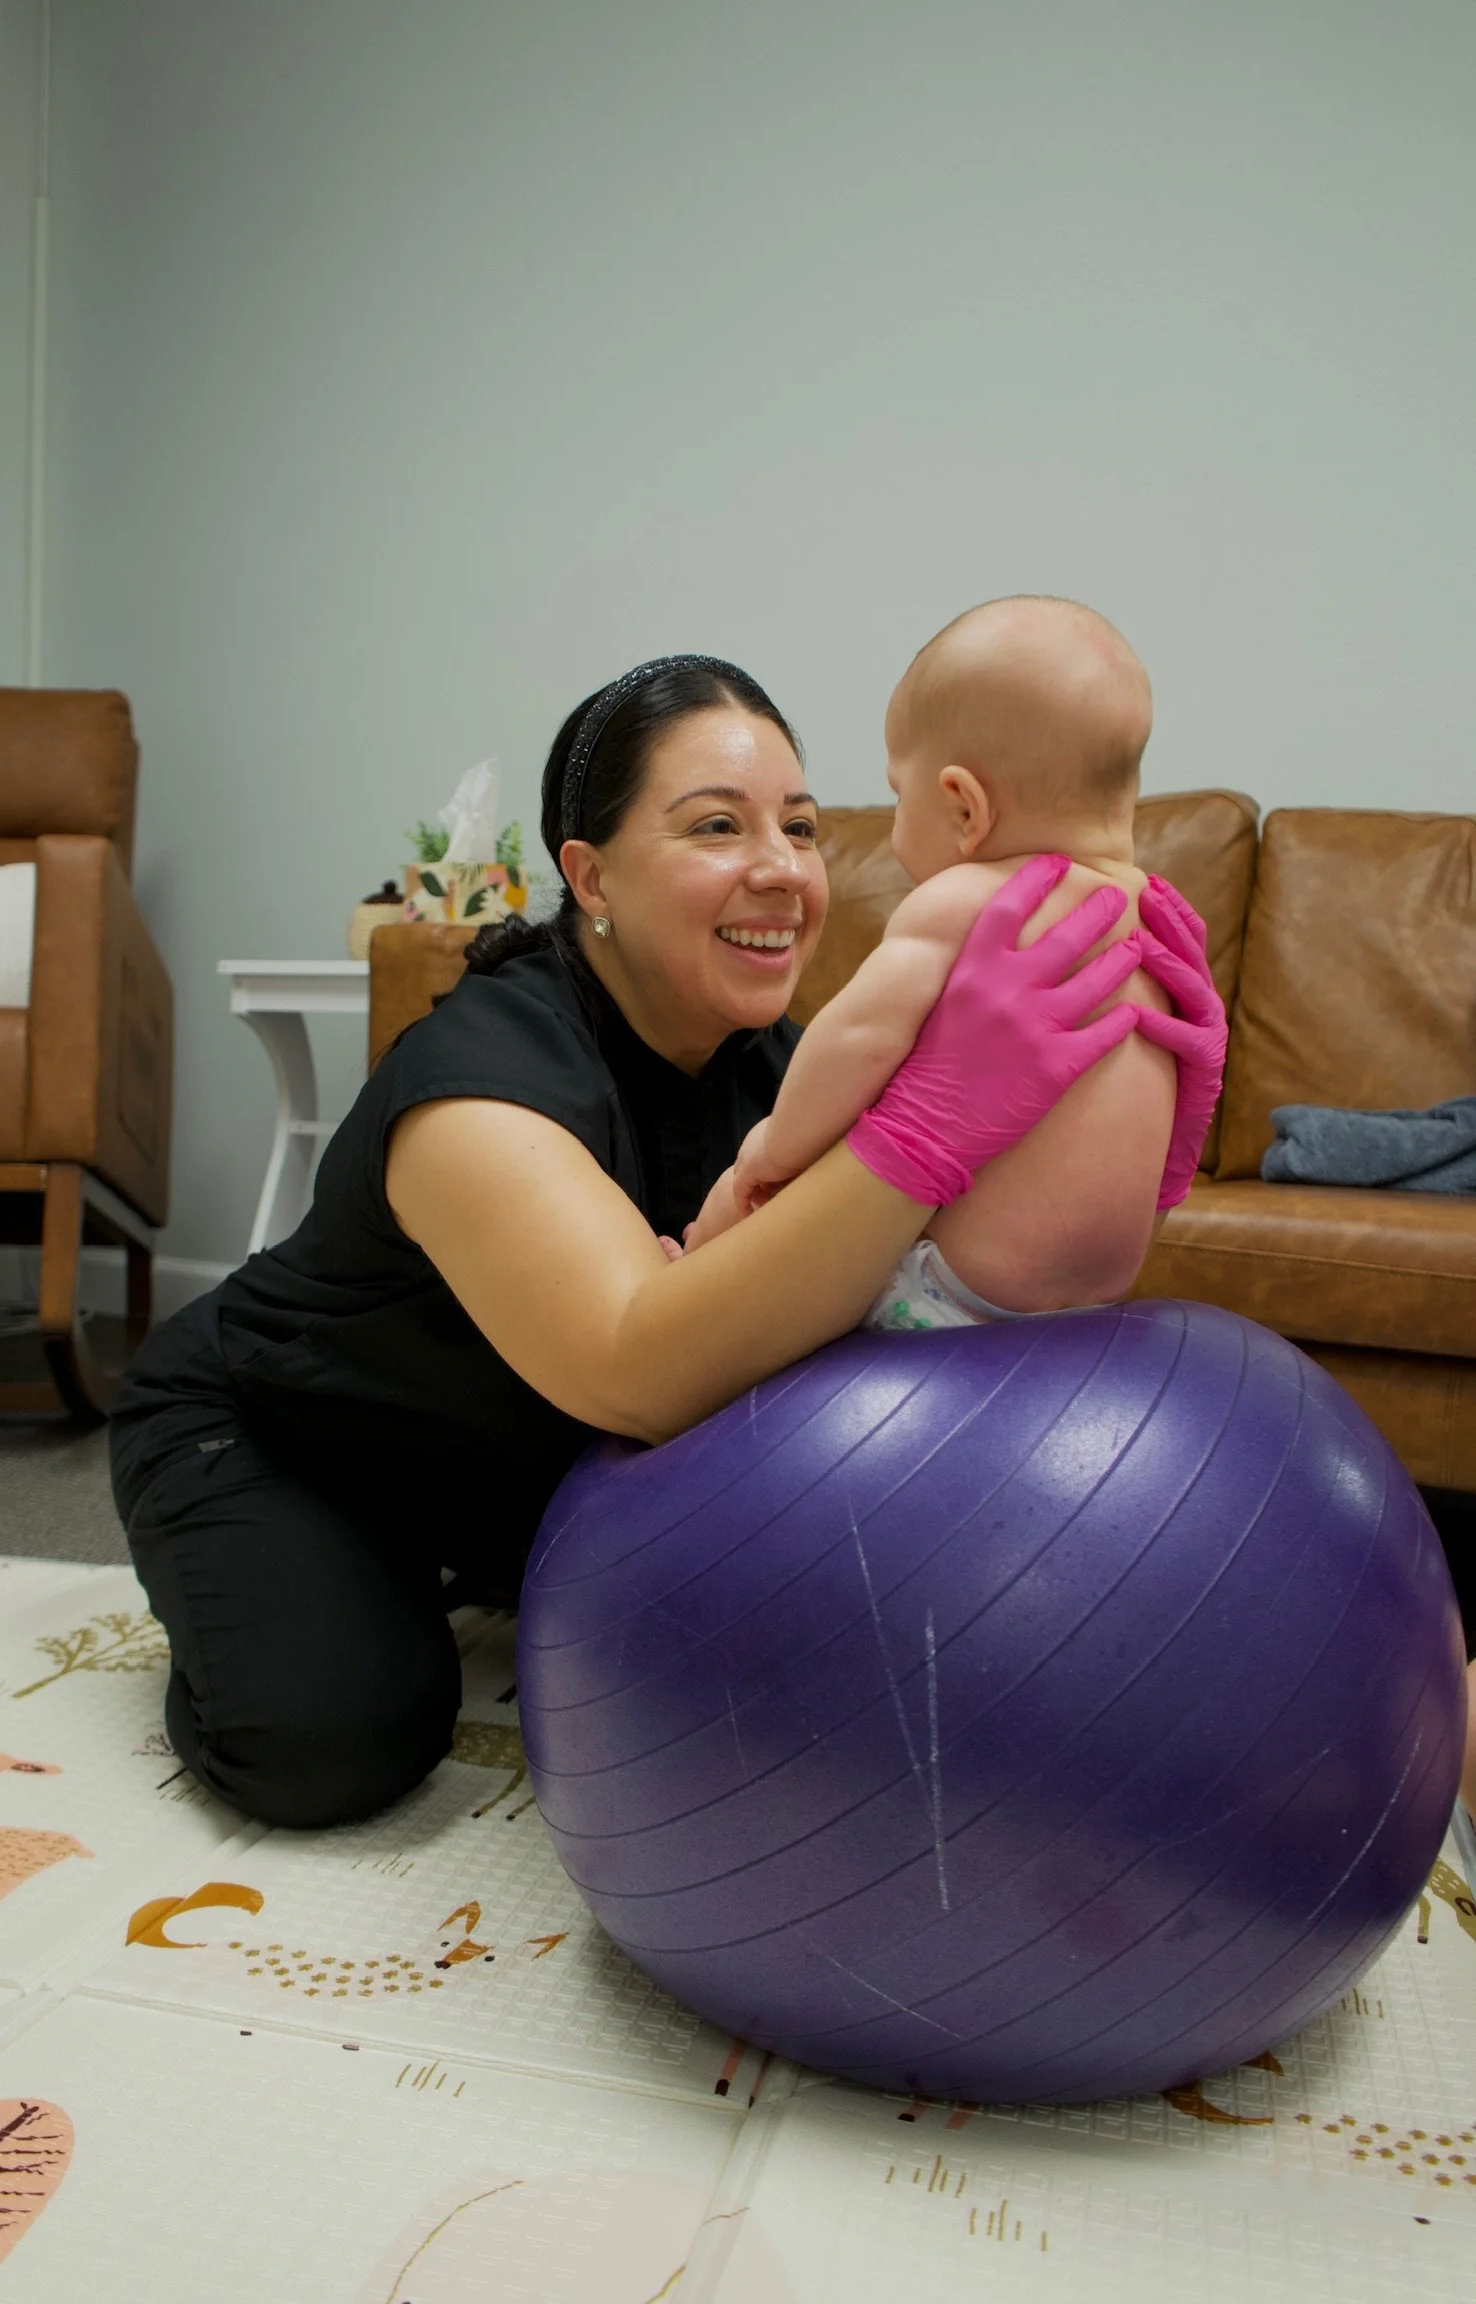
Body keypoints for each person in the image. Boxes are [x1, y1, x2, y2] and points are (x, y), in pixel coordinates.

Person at [109, 653, 1225, 1830]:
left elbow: (875, 1324)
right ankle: (286, 1572)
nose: (783, 869)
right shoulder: (482, 1078)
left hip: (520, 1466)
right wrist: (933, 1124)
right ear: (589, 876)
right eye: (715, 827)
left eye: (799, 826)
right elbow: (637, 1368)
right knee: (335, 1741)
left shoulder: (777, 1072)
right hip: (289, 1434)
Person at [687, 597, 1196, 1332]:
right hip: (1099, 1296)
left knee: (753, 1194)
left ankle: (692, 1275)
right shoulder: (1156, 918)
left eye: (899, 793)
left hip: (943, 1289)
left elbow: (858, 1040)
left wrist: (774, 1148)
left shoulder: (966, 899)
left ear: (964, 806)